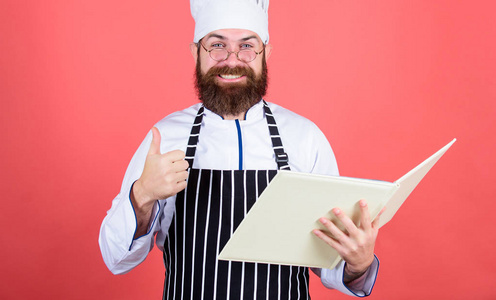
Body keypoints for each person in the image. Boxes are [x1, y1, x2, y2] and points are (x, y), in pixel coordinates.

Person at [99, 0, 382, 298]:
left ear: (266, 53)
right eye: (217, 45)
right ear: (196, 52)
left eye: (247, 46)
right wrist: (141, 195)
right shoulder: (166, 138)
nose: (232, 60)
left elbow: (329, 259)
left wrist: (359, 264)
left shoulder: (304, 138)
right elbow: (116, 259)